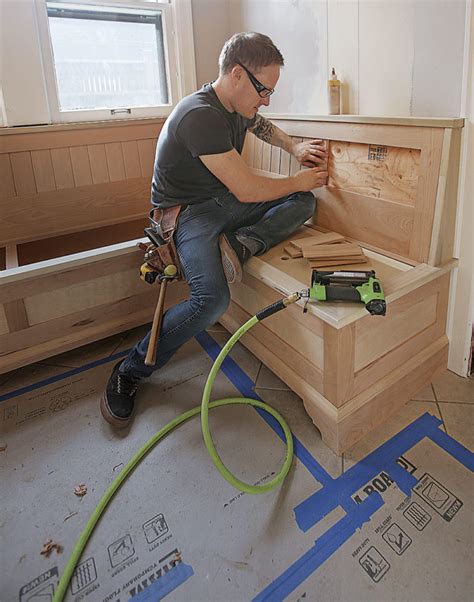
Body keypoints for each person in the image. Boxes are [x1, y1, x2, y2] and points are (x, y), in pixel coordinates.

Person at [101, 32, 328, 428]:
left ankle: (238, 246)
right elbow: (245, 187)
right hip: (187, 215)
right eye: (264, 90)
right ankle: (130, 370)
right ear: (238, 75)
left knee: (304, 204)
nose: (267, 99)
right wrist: (297, 179)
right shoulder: (199, 115)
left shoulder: (236, 104)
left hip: (221, 201)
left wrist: (294, 149)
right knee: (211, 301)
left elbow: (261, 127)